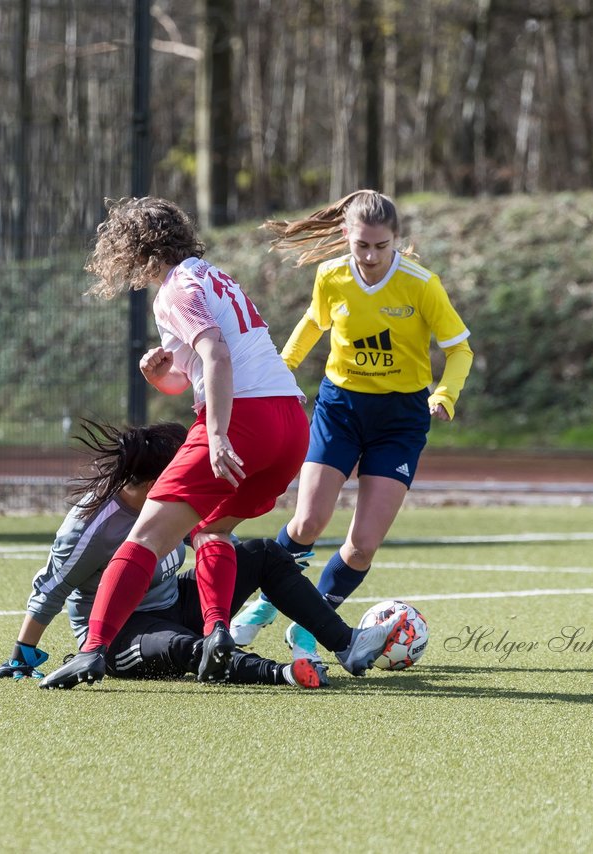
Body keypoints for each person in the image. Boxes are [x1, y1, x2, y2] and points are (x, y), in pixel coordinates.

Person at [42, 196, 370, 689]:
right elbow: (199, 367)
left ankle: (91, 652)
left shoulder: (175, 290)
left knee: (145, 539)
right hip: (289, 423)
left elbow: (216, 354)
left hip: (246, 418)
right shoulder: (213, 276)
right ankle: (218, 631)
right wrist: (163, 377)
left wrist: (217, 435)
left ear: (134, 251)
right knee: (213, 532)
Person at [230, 189, 474, 661]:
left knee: (361, 547)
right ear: (347, 236)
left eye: (381, 247)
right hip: (340, 408)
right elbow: (312, 324)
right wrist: (280, 374)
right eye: (361, 244)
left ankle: (309, 627)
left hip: (401, 420)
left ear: (396, 241)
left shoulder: (421, 284)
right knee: (307, 521)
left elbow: (460, 348)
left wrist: (445, 393)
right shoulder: (332, 275)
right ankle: (264, 605)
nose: (370, 256)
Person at [0, 420, 403, 689]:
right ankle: (280, 673)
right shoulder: (91, 526)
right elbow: (50, 589)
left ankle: (345, 643)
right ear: (156, 480)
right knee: (188, 647)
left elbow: (211, 544)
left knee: (266, 554)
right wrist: (23, 655)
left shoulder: (172, 503)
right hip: (123, 634)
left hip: (173, 601)